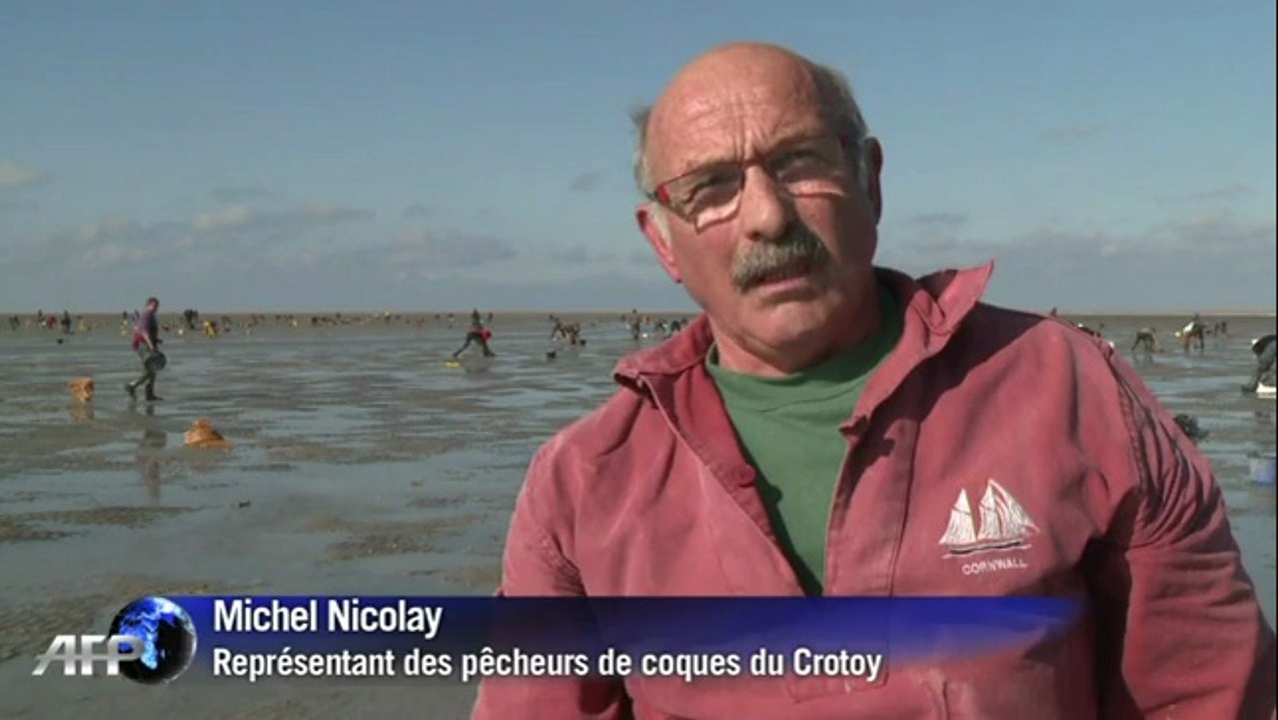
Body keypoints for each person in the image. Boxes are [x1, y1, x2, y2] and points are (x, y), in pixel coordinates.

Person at [473, 43, 1275, 719]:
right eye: (711, 189)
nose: (767, 216)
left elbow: (1207, 691)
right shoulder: (581, 485)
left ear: (871, 179)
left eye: (800, 163)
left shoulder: (1073, 392)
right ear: (662, 241)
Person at [126, 296, 165, 401]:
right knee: (149, 369)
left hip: (149, 343)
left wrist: (156, 340)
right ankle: (132, 385)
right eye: (154, 305)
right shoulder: (146, 315)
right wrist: (151, 346)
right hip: (144, 345)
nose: (155, 308)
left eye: (157, 306)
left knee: (153, 368)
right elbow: (144, 332)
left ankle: (149, 394)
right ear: (148, 305)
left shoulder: (151, 315)